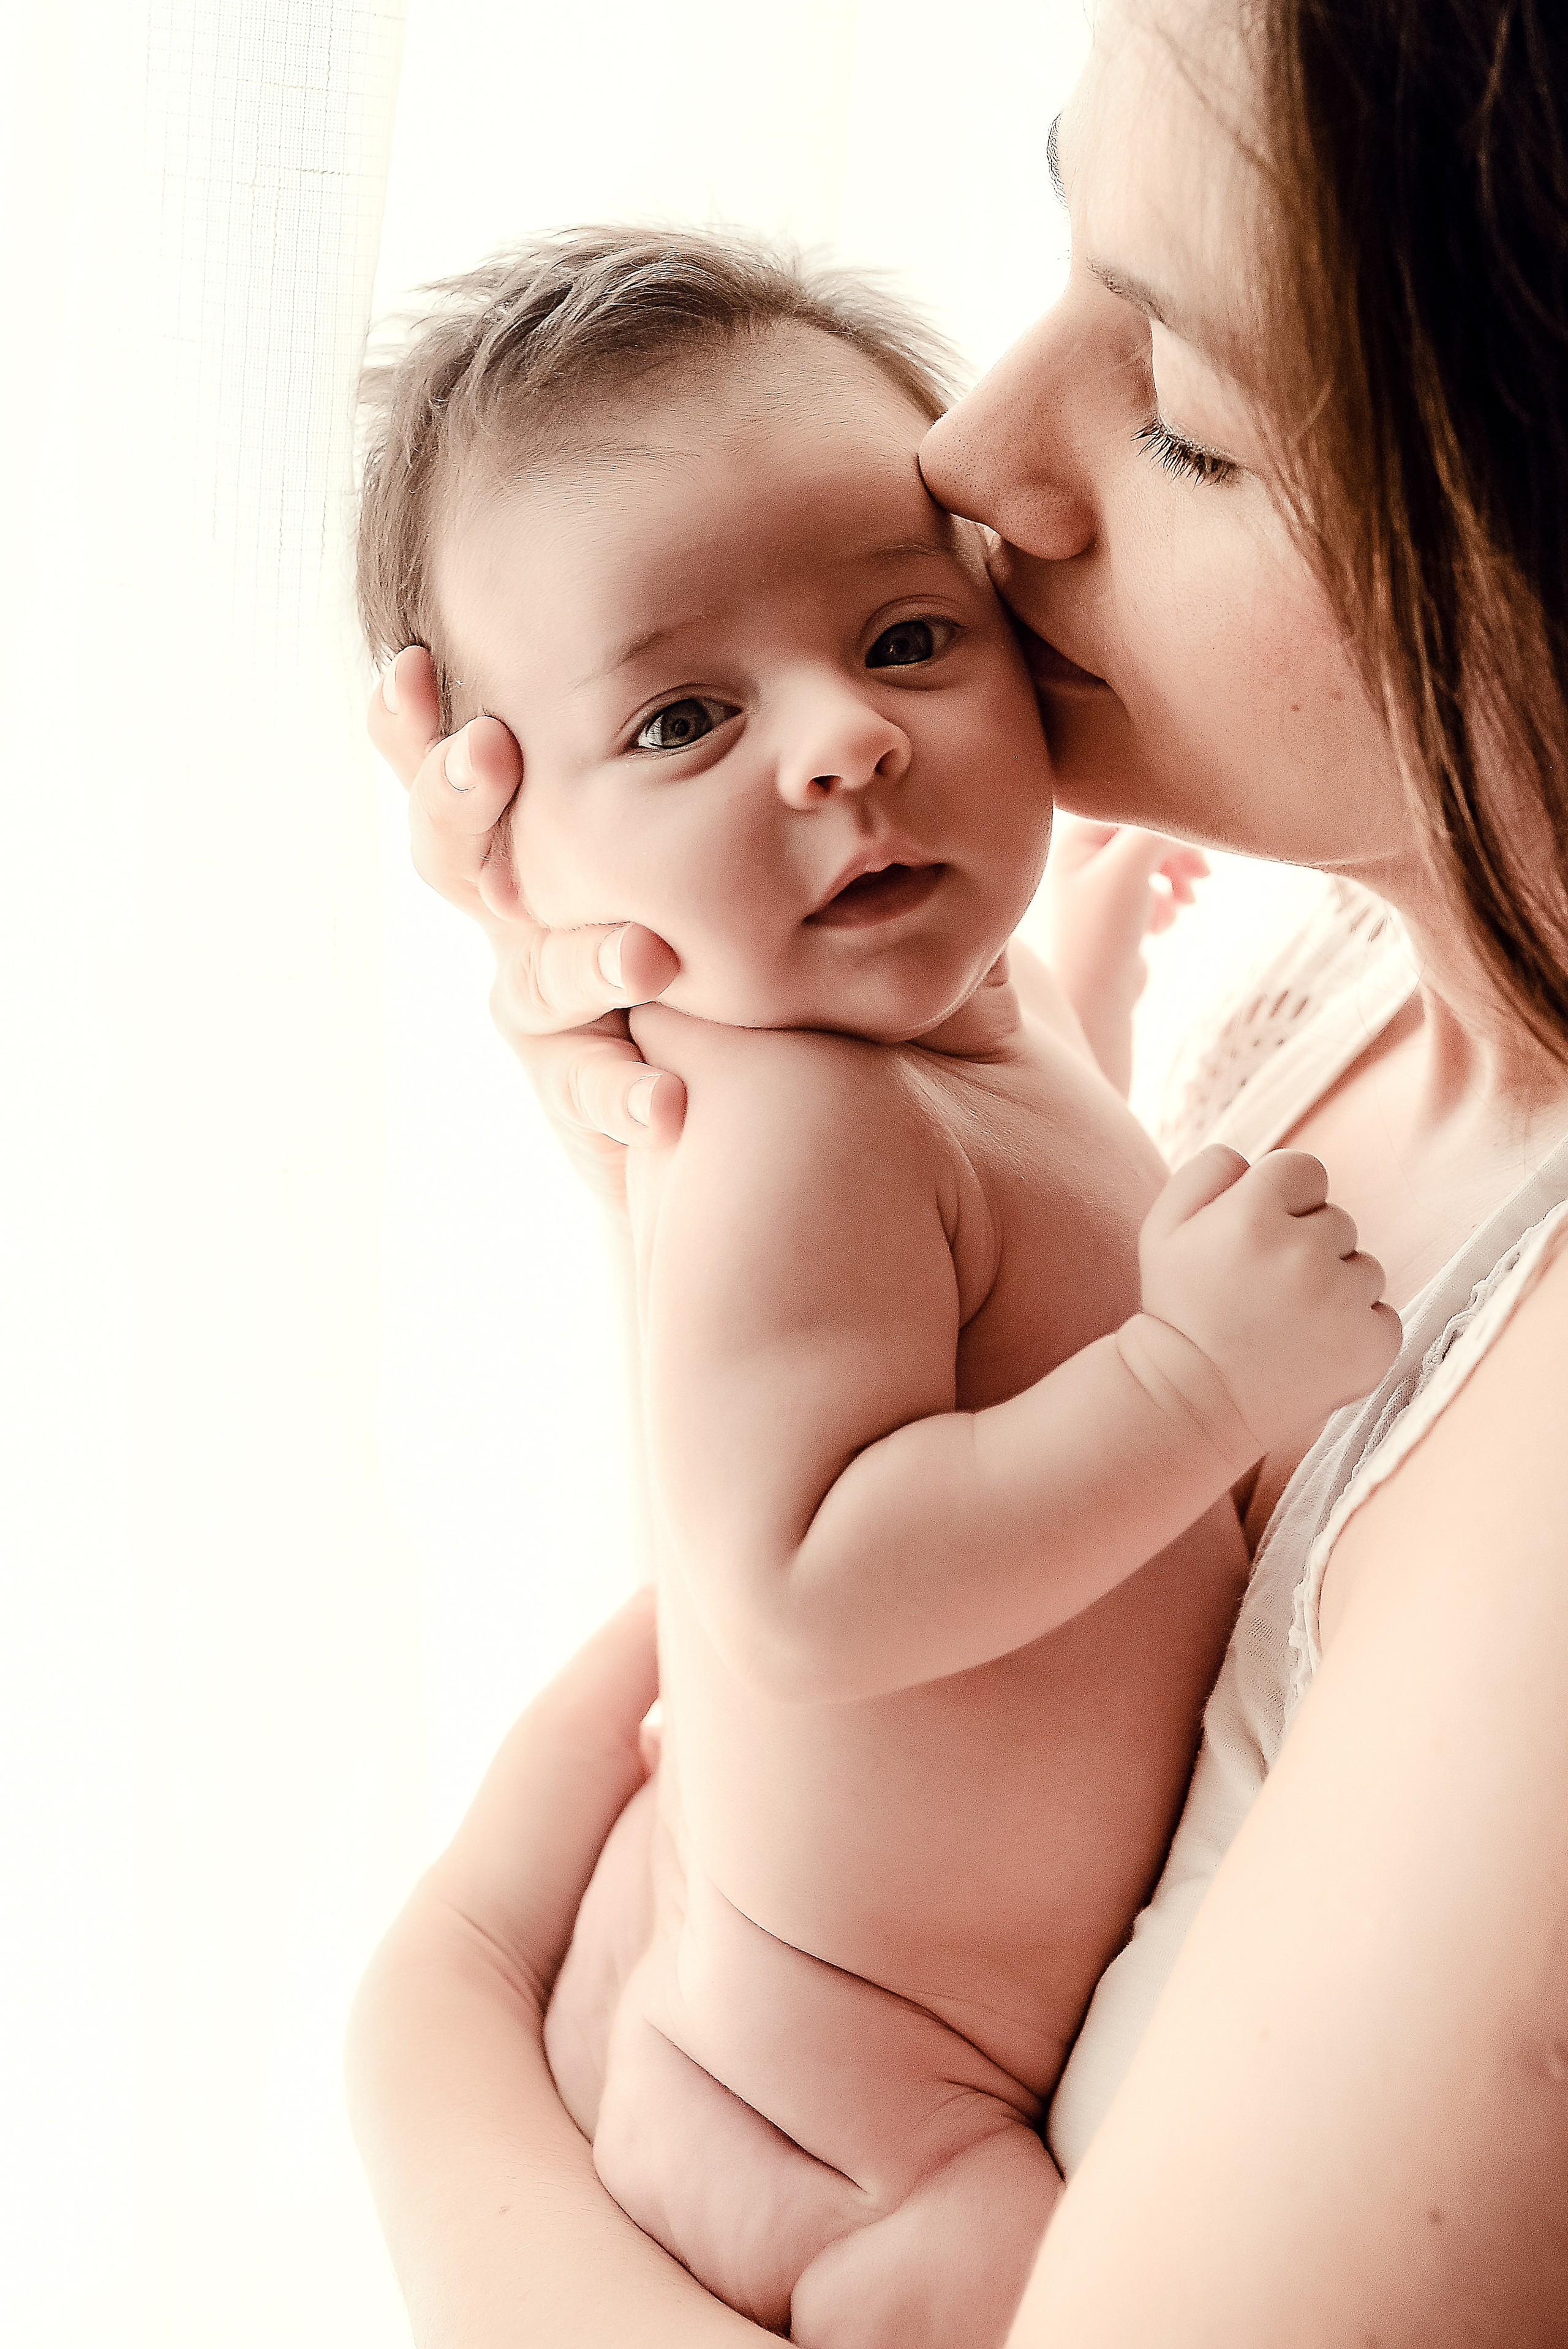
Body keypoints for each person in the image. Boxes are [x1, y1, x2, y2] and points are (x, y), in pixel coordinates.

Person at [345, 0, 1568, 2339]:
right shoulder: (1322, 978)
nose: (973, 453)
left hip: (840, 2115)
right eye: (678, 715)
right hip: (809, 2070)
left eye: (1190, 417)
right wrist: (678, 1118)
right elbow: (946, 1335)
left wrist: (427, 2034)